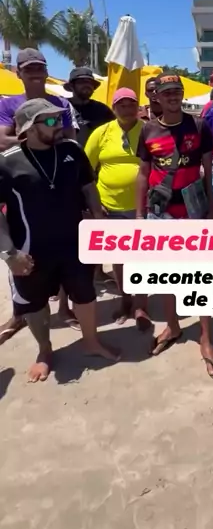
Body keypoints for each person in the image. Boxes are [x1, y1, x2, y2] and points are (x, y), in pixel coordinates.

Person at [0, 99, 119, 382]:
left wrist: (98, 218)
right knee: (35, 303)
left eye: (60, 119)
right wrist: (9, 253)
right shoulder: (7, 163)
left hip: (75, 243)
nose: (60, 126)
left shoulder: (71, 151)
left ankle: (91, 342)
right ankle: (44, 351)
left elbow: (88, 187)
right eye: (51, 121)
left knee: (85, 293)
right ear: (30, 127)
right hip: (30, 250)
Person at [135, 74, 213, 377]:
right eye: (167, 92)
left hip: (194, 212)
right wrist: (139, 216)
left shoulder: (199, 126)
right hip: (160, 215)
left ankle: (206, 338)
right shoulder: (148, 129)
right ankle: (172, 326)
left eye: (177, 91)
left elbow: (210, 169)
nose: (173, 96)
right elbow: (143, 174)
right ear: (156, 97)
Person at [0, 49, 79, 344]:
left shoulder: (61, 103)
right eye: (29, 68)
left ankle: (65, 308)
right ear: (18, 72)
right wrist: (41, 140)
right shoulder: (7, 103)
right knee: (21, 252)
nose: (35, 72)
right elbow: (1, 140)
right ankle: (20, 313)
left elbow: (70, 138)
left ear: (46, 71)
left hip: (58, 181)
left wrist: (34, 137)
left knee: (63, 250)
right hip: (21, 184)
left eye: (40, 68)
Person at [85, 88, 151, 329]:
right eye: (121, 105)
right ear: (114, 108)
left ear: (138, 106)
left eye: (131, 104)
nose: (127, 109)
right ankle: (125, 300)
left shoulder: (148, 130)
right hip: (110, 207)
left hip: (143, 207)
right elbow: (85, 169)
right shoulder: (101, 133)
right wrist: (93, 203)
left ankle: (141, 305)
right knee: (119, 259)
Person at [65, 67, 114, 148]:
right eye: (81, 82)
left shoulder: (103, 110)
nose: (87, 85)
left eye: (90, 82)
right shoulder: (62, 107)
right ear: (71, 86)